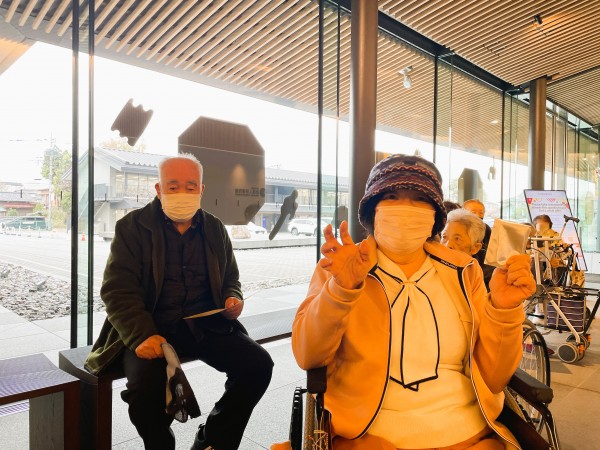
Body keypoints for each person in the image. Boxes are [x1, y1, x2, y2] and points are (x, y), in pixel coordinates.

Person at [291, 154, 535, 450]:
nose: (405, 208)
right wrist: (342, 289)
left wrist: (504, 309)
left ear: (435, 216)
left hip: (469, 434)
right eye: (391, 196)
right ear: (372, 210)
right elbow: (308, 355)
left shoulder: (463, 271)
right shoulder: (342, 267)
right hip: (369, 438)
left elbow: (493, 378)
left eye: (420, 199)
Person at [85, 154, 274, 450]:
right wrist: (141, 335)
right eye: (173, 187)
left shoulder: (214, 228)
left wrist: (232, 297)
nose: (182, 193)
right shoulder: (132, 227)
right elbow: (117, 290)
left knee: (258, 365)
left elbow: (230, 277)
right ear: (159, 189)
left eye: (190, 186)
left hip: (204, 324)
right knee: (144, 391)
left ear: (201, 189)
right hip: (151, 328)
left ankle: (212, 441)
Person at [441, 208, 495, 289]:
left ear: (475, 248)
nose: (447, 245)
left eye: (457, 239)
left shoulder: (487, 274)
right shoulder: (431, 264)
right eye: (444, 237)